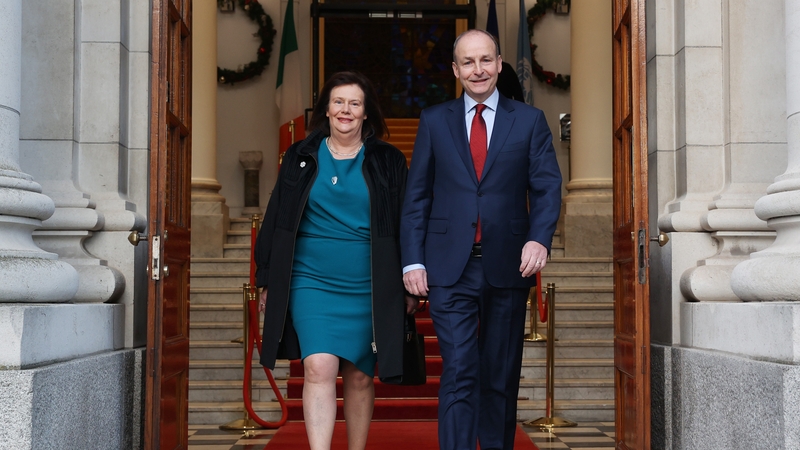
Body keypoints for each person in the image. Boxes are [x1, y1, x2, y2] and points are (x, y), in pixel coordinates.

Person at [400, 29, 562, 450]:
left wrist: (539, 239)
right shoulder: (434, 121)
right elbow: (417, 195)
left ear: (499, 63)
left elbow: (546, 188)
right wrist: (412, 261)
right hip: (449, 267)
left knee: (499, 373)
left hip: (508, 264)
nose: (478, 70)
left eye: (485, 60)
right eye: (468, 62)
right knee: (459, 368)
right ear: (455, 70)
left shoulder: (529, 120)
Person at [255, 71, 417, 450]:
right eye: (339, 102)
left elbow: (407, 221)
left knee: (360, 376)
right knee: (318, 367)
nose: (346, 110)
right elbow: (277, 216)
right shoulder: (300, 156)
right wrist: (267, 278)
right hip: (310, 279)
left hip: (369, 282)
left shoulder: (389, 160)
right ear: (326, 109)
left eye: (354, 103)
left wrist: (410, 278)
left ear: (365, 113)